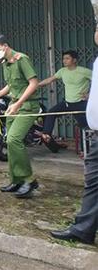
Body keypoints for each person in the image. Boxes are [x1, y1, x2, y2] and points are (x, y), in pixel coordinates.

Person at [50, 30, 98, 245]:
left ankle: (83, 229)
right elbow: (50, 79)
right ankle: (83, 230)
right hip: (92, 126)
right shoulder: (94, 64)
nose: (95, 33)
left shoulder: (85, 70)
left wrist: (88, 96)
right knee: (93, 182)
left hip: (83, 112)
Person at [0, 34, 40, 198]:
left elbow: (33, 83)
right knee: (9, 142)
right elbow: (10, 85)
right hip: (13, 107)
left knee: (14, 139)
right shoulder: (5, 63)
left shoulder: (21, 59)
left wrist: (18, 104)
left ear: (5, 46)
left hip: (27, 106)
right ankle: (16, 180)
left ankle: (29, 180)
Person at [39, 50, 91, 147]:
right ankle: (46, 134)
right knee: (51, 113)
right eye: (63, 58)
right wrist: (36, 85)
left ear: (74, 60)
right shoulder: (62, 71)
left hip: (80, 104)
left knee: (85, 127)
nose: (64, 61)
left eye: (67, 58)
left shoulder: (84, 71)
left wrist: (90, 94)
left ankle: (86, 151)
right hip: (67, 103)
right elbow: (50, 80)